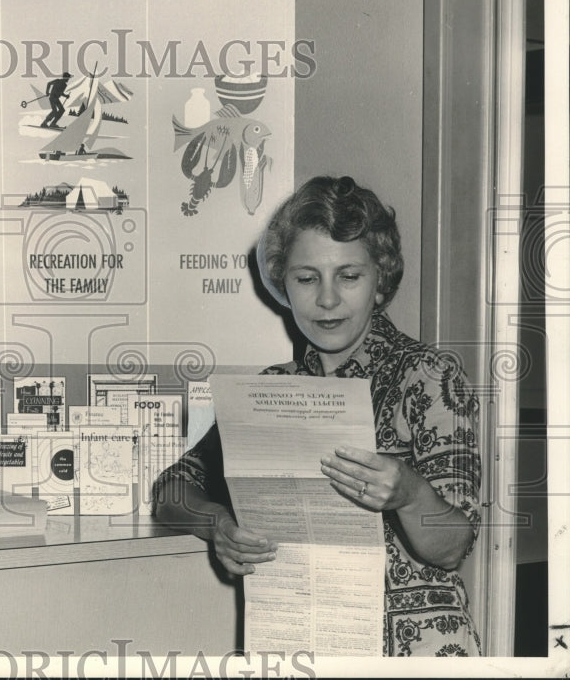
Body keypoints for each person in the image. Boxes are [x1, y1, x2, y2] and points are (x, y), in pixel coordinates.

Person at [154, 175, 481, 657]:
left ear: (381, 280)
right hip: (299, 643)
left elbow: (453, 545)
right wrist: (216, 523)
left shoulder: (428, 376)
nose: (327, 300)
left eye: (349, 276)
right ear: (283, 284)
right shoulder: (269, 390)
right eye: (307, 278)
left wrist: (410, 494)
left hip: (414, 655)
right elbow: (171, 488)